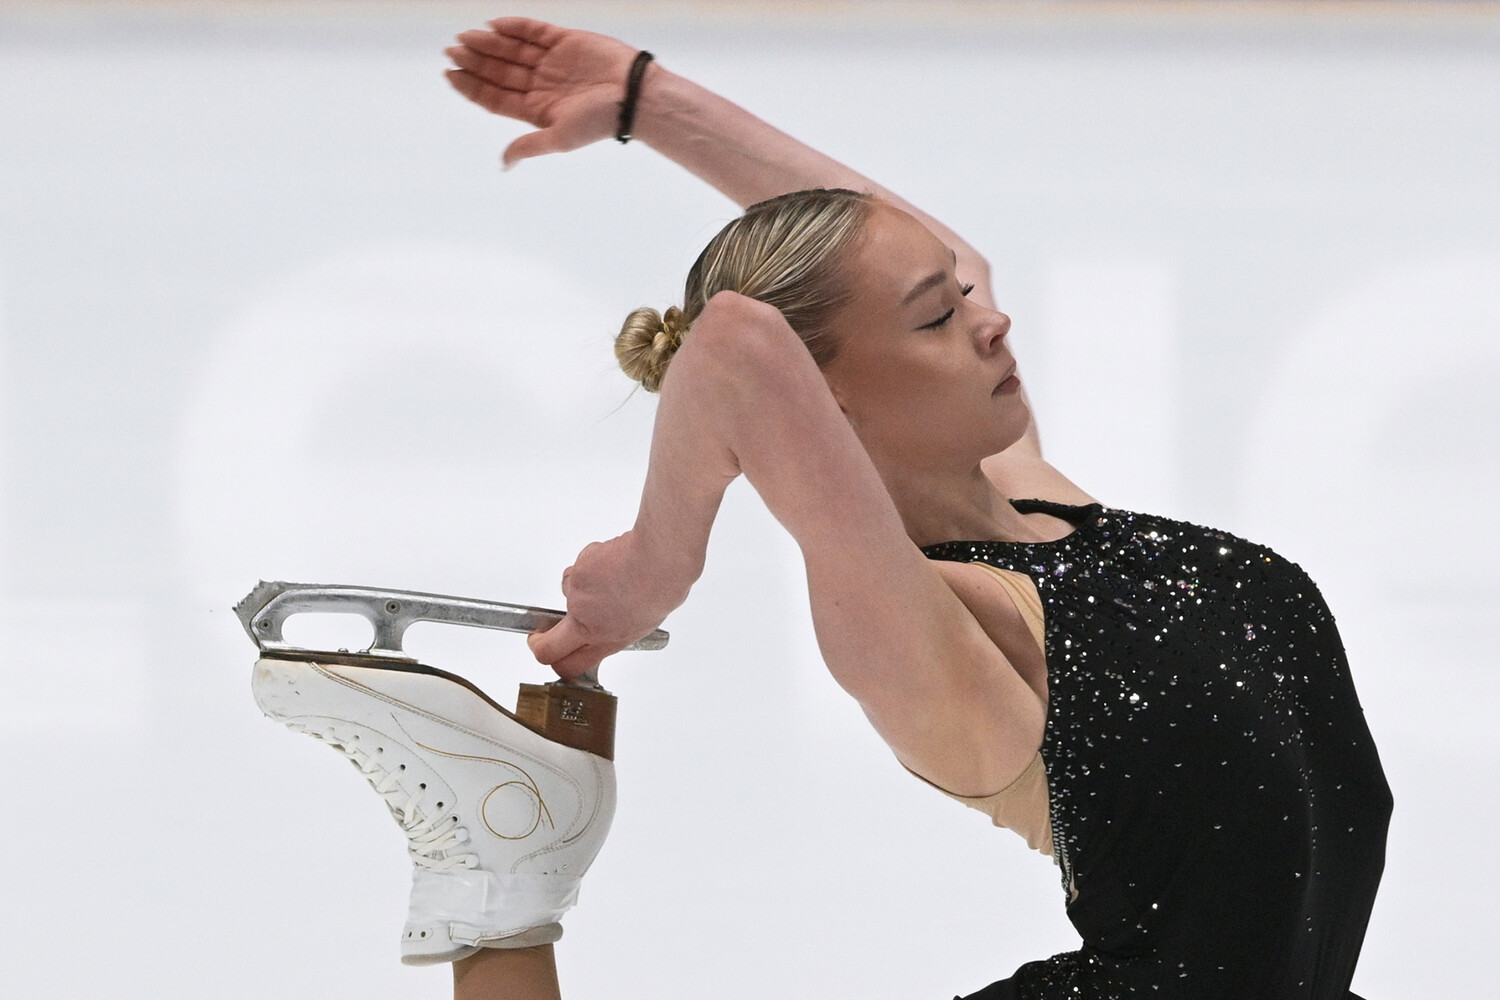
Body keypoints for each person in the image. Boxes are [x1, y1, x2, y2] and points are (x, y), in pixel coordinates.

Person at [255, 15, 1392, 1000]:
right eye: (937, 319)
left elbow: (917, 268)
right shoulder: (931, 628)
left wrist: (648, 102)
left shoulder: (1038, 505)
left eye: (962, 297)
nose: (990, 319)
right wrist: (656, 565)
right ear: (829, 396)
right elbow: (736, 349)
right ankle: (501, 872)